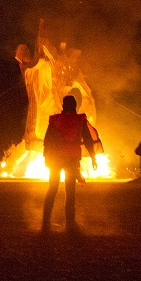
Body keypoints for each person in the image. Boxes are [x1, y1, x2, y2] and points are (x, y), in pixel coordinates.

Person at [42, 95, 97, 232]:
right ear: (75, 106)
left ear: (63, 105)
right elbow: (88, 139)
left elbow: (47, 140)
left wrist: (46, 157)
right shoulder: (79, 120)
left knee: (52, 188)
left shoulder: (55, 120)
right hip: (71, 159)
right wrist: (93, 156)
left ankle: (45, 222)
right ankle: (70, 223)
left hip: (55, 158)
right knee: (70, 190)